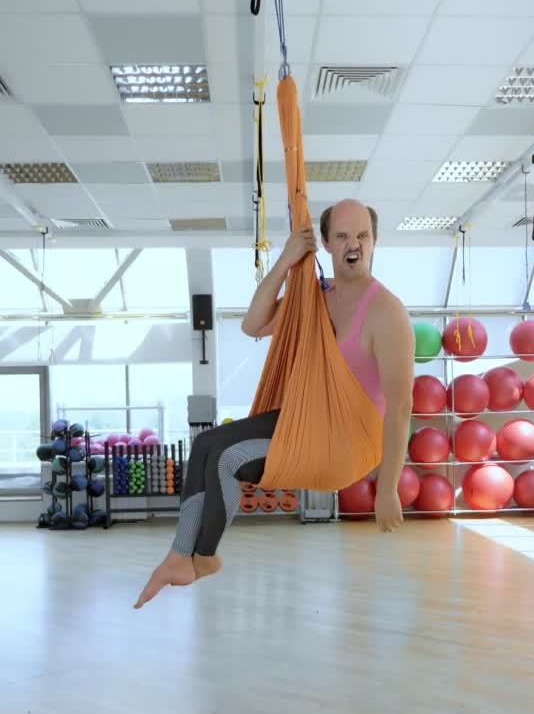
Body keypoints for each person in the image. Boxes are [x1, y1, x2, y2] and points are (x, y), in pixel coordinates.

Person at [134, 199, 414, 608]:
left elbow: (401, 405)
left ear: (374, 241)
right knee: (204, 445)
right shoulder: (316, 298)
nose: (353, 243)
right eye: (342, 236)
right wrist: (286, 260)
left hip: (346, 443)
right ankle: (181, 555)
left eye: (362, 235)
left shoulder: (387, 312)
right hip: (307, 418)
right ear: (326, 244)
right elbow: (253, 324)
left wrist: (387, 488)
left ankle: (205, 557)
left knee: (228, 460)